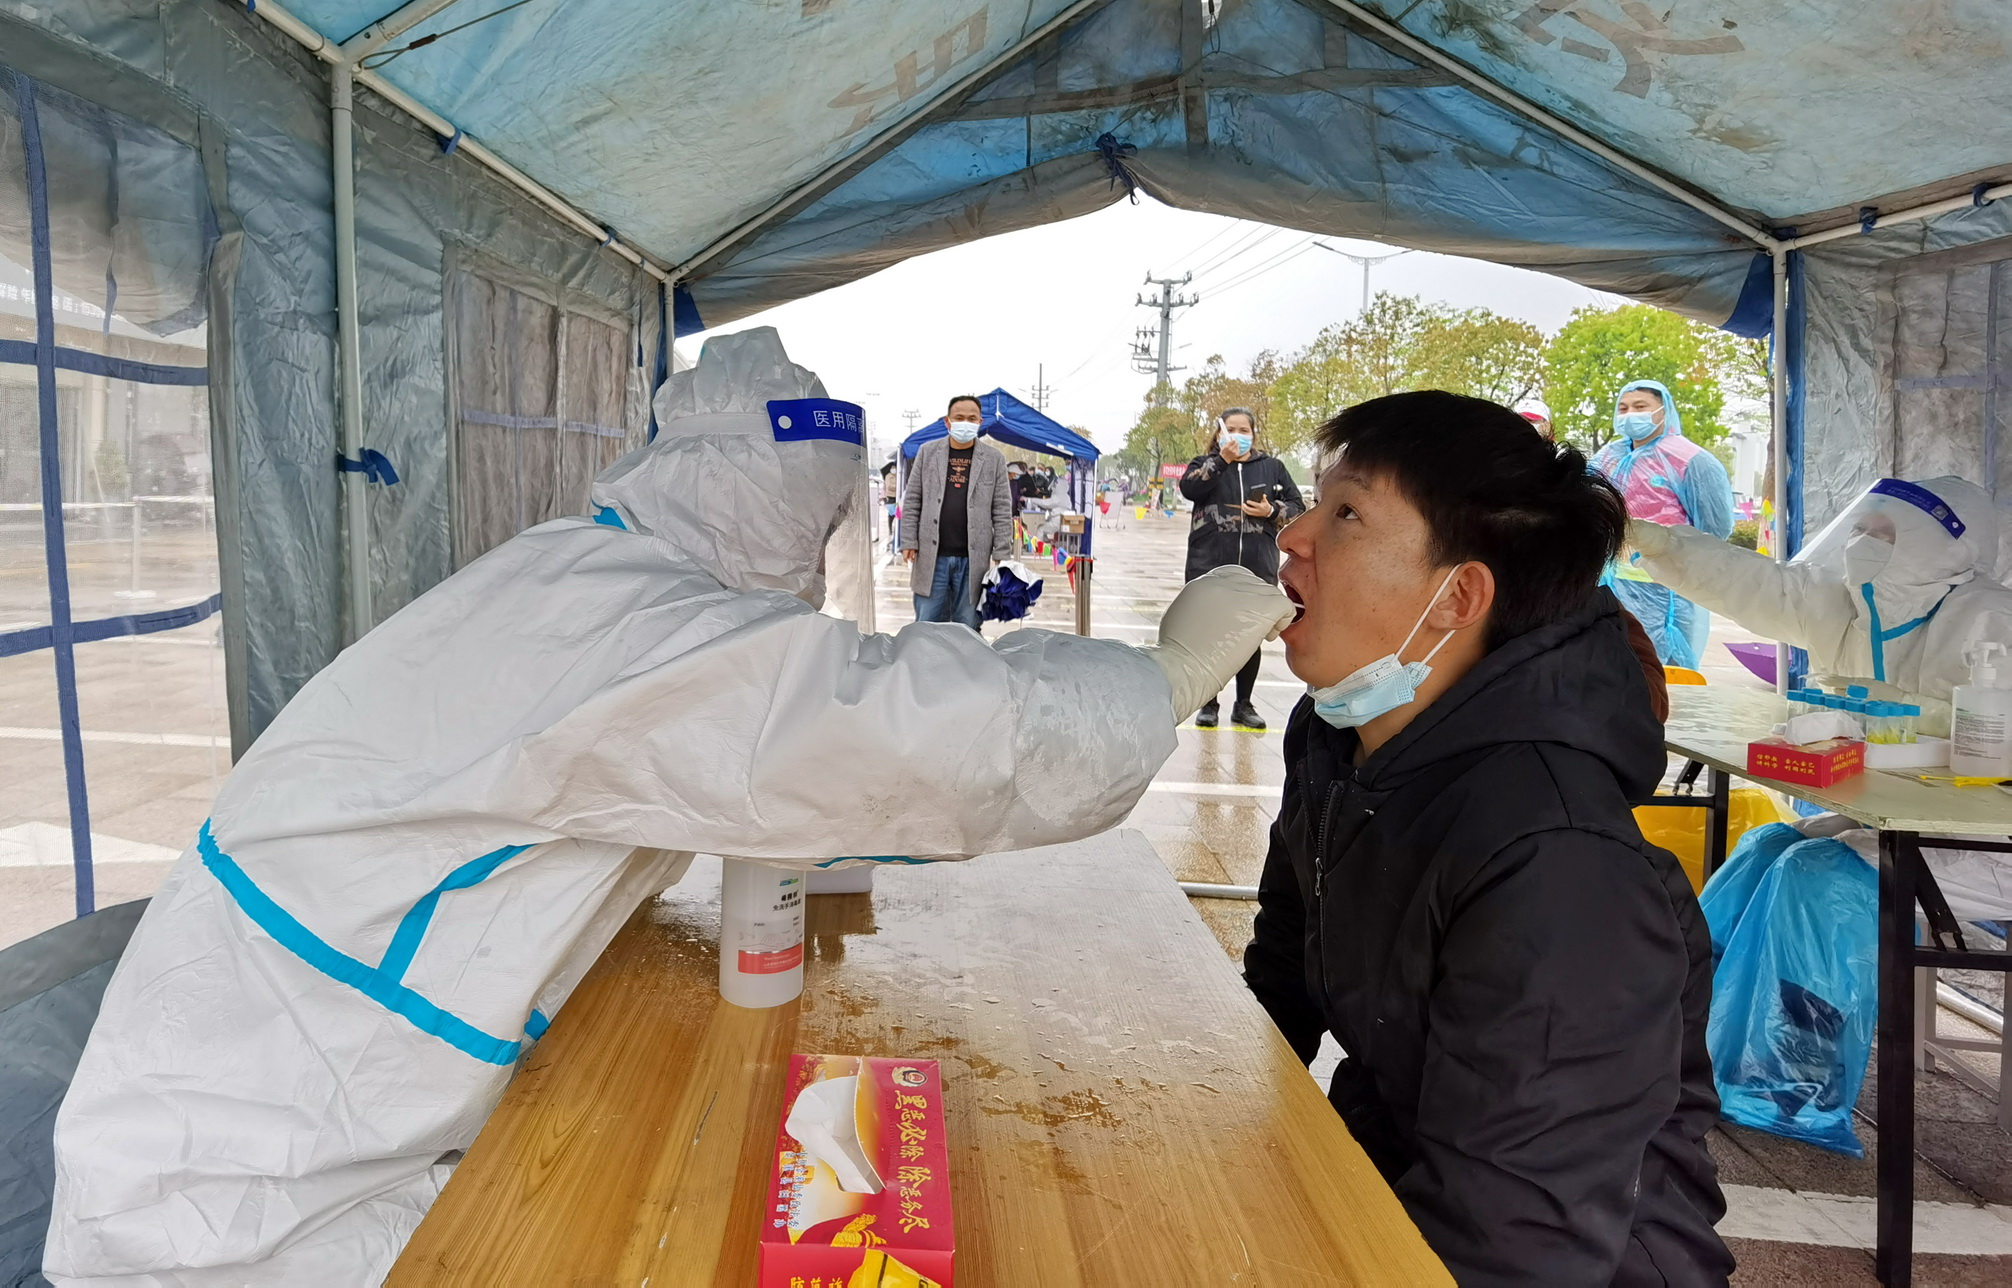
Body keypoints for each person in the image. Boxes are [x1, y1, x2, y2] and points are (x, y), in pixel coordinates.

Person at [44, 329, 1295, 1288]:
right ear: (755, 500)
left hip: (323, 1097)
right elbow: (895, 733)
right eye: (803, 519)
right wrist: (1156, 681)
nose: (807, 555)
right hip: (241, 1191)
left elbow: (785, 768)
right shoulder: (630, 626)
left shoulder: (581, 572)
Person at [1243, 391, 1731, 1285]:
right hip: (1387, 1187)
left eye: (1345, 511)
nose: (1296, 534)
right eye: (1315, 501)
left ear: (1458, 595)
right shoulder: (1340, 741)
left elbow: (1518, 1241)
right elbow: (1282, 974)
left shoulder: (1560, 863)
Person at [1631, 475, 2012, 703]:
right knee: (1767, 842)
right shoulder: (1848, 603)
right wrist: (1665, 545)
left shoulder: (1989, 618)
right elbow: (1750, 582)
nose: (1862, 544)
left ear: (1947, 547)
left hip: (1959, 830)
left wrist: (1918, 711)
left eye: (1884, 534)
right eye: (1860, 530)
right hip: (1865, 806)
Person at [1589, 380, 1734, 669]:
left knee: (1665, 673)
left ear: (1663, 411)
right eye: (1624, 408)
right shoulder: (1605, 459)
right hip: (1611, 585)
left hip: (1668, 590)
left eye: (1640, 407)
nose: (1630, 414)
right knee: (1611, 668)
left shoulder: (1691, 461)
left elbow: (1715, 528)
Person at [1178, 407, 1306, 730]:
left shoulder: (1272, 467)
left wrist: (1270, 509)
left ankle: (1243, 704)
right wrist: (1221, 460)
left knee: (1250, 637)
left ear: (1253, 434)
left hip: (1256, 564)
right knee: (1208, 635)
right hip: (1209, 564)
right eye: (1230, 429)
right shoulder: (1204, 464)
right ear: (1220, 433)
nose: (1238, 435)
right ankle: (1207, 703)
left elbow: (1297, 506)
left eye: (1244, 430)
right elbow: (1189, 489)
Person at [901, 395, 1012, 629]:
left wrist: (1002, 551)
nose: (966, 423)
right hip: (933, 557)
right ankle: (925, 665)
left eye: (972, 418)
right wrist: (909, 540)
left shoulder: (993, 459)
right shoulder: (927, 453)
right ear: (947, 422)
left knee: (968, 625)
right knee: (927, 624)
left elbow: (1002, 508)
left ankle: (965, 665)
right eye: (959, 418)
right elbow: (912, 500)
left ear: (980, 422)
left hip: (974, 560)